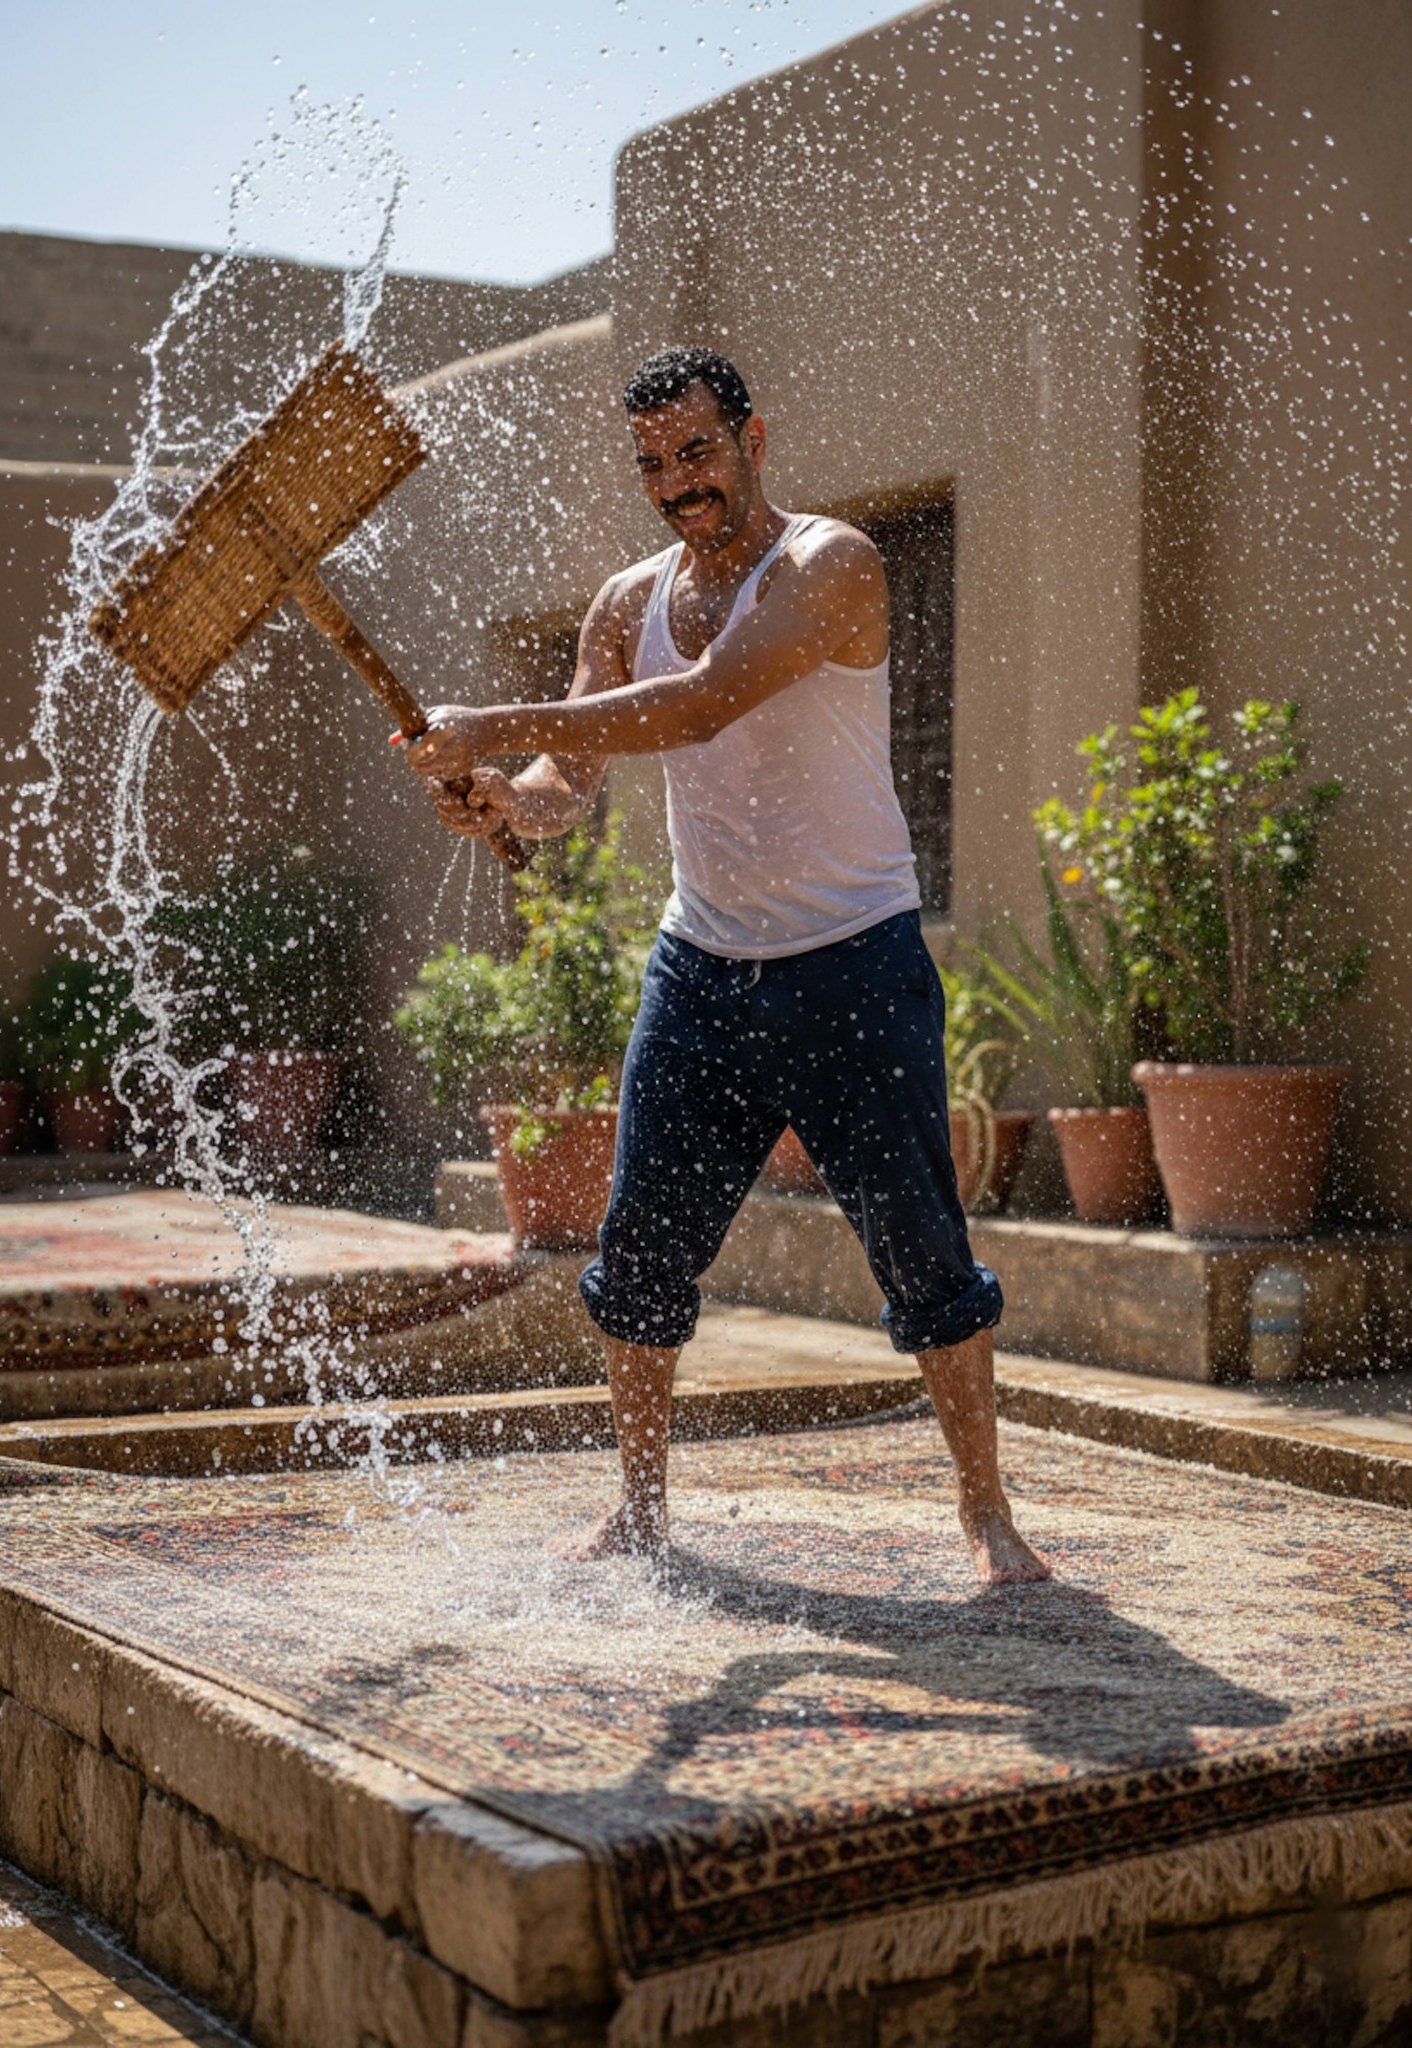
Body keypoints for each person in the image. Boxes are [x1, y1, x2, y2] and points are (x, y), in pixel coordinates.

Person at [404, 346, 1048, 1587]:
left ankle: (986, 1515)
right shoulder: (619, 601)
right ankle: (640, 1512)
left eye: (696, 451)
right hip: (701, 969)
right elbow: (564, 791)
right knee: (637, 1254)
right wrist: (497, 793)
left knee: (921, 1251)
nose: (676, 483)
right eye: (652, 463)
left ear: (754, 436)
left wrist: (491, 721)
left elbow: (698, 707)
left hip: (852, 962)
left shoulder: (833, 564)